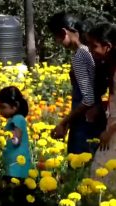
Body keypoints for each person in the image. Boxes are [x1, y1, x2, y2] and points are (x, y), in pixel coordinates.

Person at [48, 12, 106, 155]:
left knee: (79, 168)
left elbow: (88, 99)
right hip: (94, 119)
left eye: (55, 37)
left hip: (84, 124)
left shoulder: (80, 56)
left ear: (63, 32)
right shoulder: (89, 51)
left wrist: (64, 122)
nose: (56, 41)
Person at [87, 22, 116, 191]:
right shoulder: (111, 66)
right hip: (111, 126)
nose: (91, 50)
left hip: (113, 131)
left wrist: (110, 131)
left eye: (94, 45)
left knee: (101, 174)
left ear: (108, 46)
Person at [0, 86, 32, 206]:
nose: (0, 111)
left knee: (15, 193)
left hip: (17, 164)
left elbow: (16, 140)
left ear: (15, 106)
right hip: (12, 162)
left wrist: (2, 138)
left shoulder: (18, 119)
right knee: (11, 192)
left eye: (3, 107)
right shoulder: (14, 119)